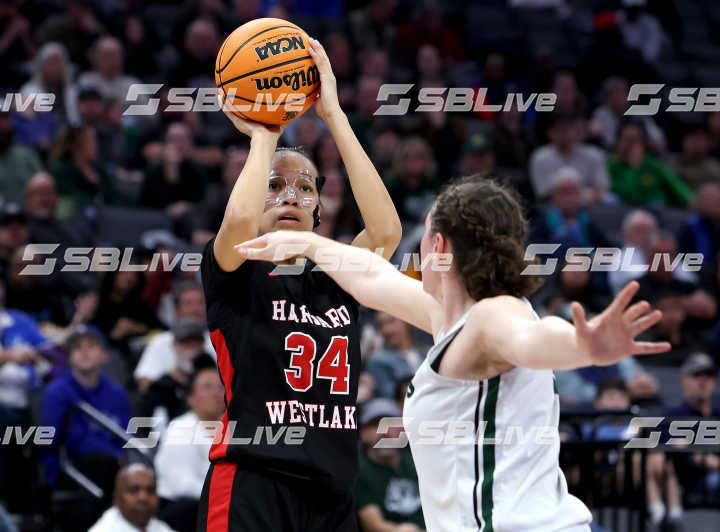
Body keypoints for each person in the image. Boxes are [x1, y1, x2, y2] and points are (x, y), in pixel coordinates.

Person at [236, 176, 671, 532]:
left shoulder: (492, 316)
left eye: (423, 237)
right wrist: (307, 244)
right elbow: (371, 277)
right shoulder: (451, 319)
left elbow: (533, 341)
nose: (417, 250)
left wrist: (582, 346)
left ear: (440, 247)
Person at [196, 38, 401, 532]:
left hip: (331, 494)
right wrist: (264, 135)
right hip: (253, 481)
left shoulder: (338, 272)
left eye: (305, 187)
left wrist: (333, 113)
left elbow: (387, 232)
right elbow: (241, 219)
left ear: (317, 210)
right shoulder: (236, 263)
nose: (290, 194)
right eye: (274, 185)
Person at [154, 366, 225, 532]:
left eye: (220, 387)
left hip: (218, 500)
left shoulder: (232, 427)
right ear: (191, 398)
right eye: (207, 387)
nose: (216, 393)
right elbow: (182, 485)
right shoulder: (181, 428)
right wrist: (224, 497)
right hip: (180, 506)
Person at [354, 399, 425, 532]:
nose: (385, 431)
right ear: (363, 433)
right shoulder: (359, 472)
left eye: (391, 424)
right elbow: (373, 525)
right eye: (376, 425)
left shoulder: (420, 462)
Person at [89, 463, 177, 532]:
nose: (143, 498)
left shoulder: (157, 526)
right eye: (133, 490)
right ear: (116, 498)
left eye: (150, 490)